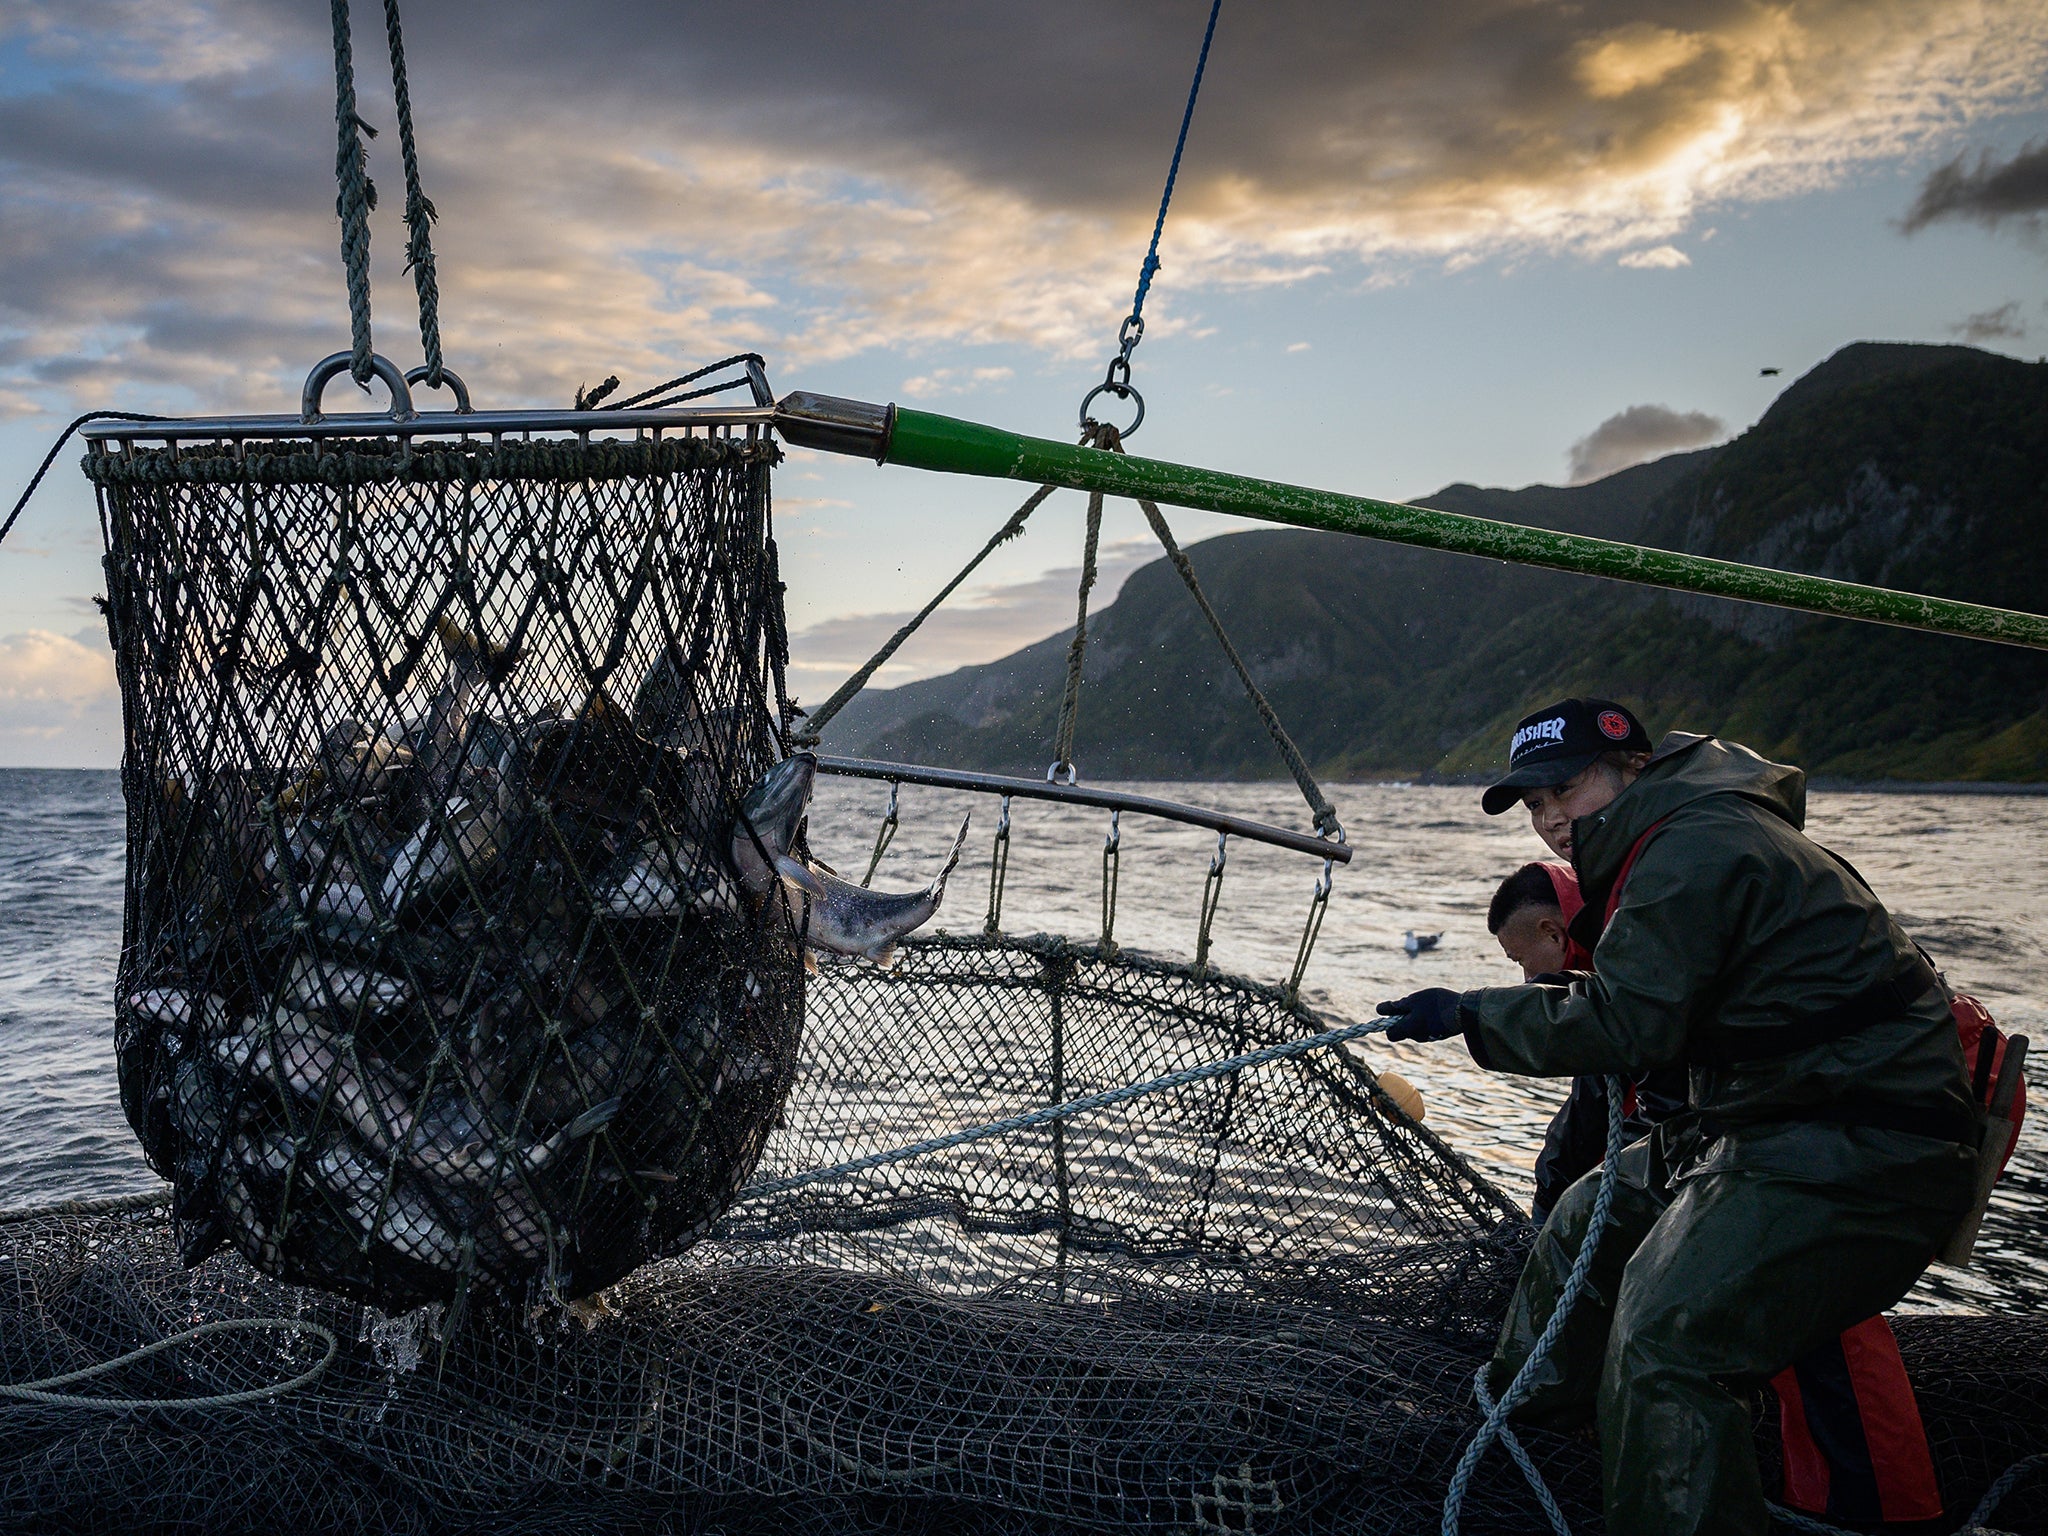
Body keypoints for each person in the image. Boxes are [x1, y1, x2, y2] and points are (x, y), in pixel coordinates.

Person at [1381, 697, 1976, 1536]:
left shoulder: (1695, 843)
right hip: (1764, 1119)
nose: (1550, 818)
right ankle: (1527, 1430)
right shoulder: (1670, 837)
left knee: (1666, 1340)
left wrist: (1470, 1013)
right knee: (1592, 1209)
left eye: (1565, 789)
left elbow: (1631, 1022)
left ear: (1632, 768)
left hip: (1861, 1144)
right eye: (1534, 804)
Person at [1487, 862, 1687, 1224]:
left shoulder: (1629, 973)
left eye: (1521, 961)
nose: (1527, 978)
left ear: (1552, 933)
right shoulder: (1601, 969)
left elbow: (1661, 1113)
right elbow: (1589, 1109)